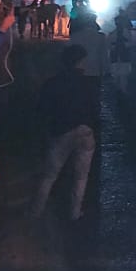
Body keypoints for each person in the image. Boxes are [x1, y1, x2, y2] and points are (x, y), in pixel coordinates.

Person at [30, 45, 100, 221]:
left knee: (50, 175)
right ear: (81, 61)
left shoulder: (52, 83)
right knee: (81, 176)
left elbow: (41, 110)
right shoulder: (89, 83)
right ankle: (75, 213)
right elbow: (95, 109)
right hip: (85, 131)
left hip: (61, 131)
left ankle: (35, 212)